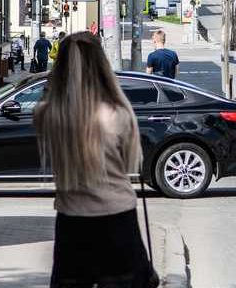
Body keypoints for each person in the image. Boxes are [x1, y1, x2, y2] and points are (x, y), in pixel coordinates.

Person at [35, 32, 153, 287]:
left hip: (71, 222)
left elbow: (48, 94)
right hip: (118, 219)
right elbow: (125, 162)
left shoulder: (47, 115)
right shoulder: (118, 115)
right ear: (102, 66)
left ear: (61, 69)